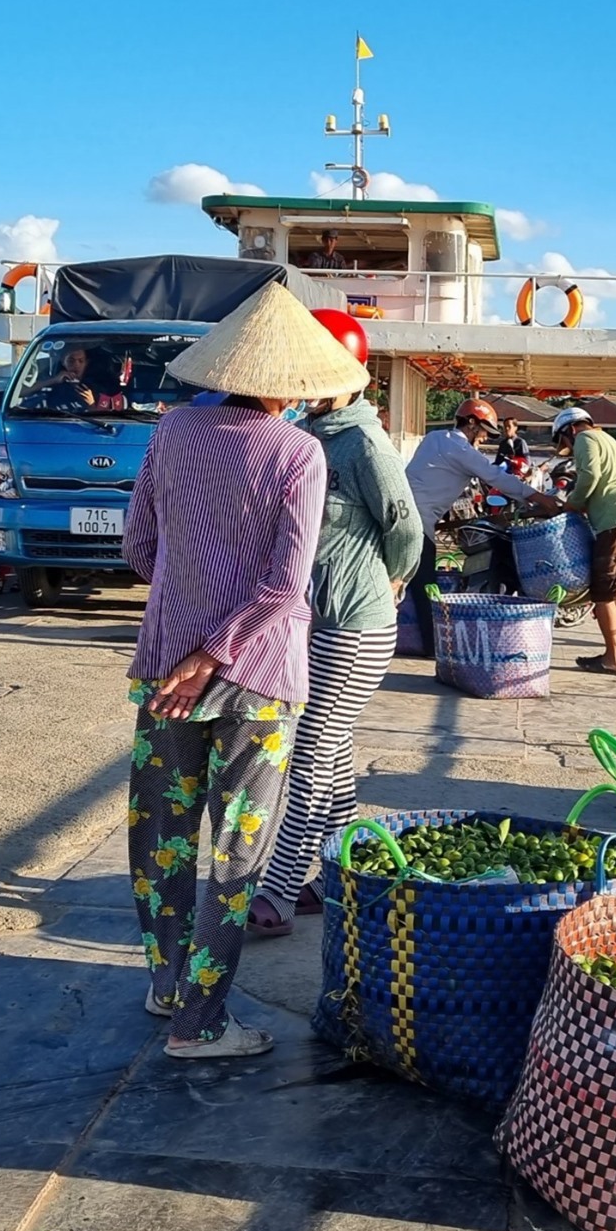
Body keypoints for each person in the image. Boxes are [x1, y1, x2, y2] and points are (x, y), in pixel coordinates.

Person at [121, 281, 362, 1059]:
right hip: (260, 678)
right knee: (237, 849)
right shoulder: (299, 452)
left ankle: (166, 989)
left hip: (165, 668)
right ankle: (202, 1022)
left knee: (162, 834)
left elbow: (137, 552)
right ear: (295, 386)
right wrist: (216, 650)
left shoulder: (170, 433)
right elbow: (286, 588)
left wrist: (188, 626)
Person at [252, 311, 418, 937]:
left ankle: (280, 890)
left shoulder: (366, 446)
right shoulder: (309, 435)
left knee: (312, 752)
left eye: (328, 372)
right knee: (336, 752)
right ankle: (340, 873)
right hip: (316, 619)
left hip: (357, 622)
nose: (314, 384)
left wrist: (391, 581)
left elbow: (406, 529)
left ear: (356, 376)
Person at [400, 397, 560, 656]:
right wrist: (539, 498)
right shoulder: (460, 449)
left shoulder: (434, 438)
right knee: (425, 587)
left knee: (403, 580)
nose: (485, 438)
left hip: (404, 515)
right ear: (471, 423)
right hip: (417, 523)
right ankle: (434, 649)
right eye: (484, 431)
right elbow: (495, 476)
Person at [552, 408, 616, 677]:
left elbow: (590, 475)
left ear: (569, 430)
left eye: (566, 444)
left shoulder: (585, 439)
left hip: (615, 524)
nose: (569, 449)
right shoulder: (611, 442)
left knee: (602, 595)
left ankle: (612, 658)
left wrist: (572, 505)